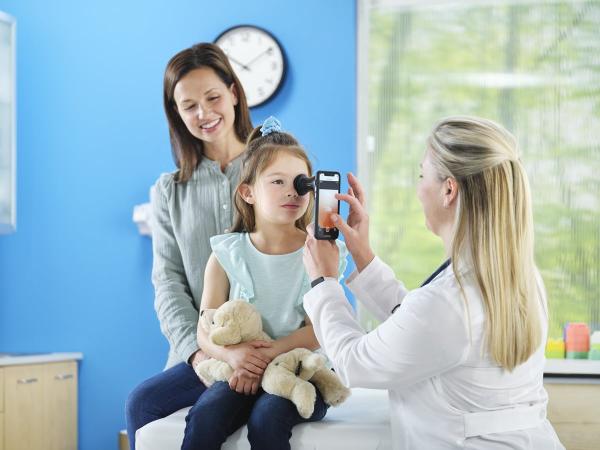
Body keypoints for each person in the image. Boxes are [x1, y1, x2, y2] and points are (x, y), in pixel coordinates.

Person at [302, 116, 565, 449]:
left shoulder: (448, 303)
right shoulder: (520, 278)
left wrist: (324, 281)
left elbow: (354, 362)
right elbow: (422, 328)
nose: (418, 188)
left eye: (422, 174)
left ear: (449, 189)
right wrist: (363, 257)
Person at [181, 117, 347, 450]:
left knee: (267, 419)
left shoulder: (321, 253)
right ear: (248, 192)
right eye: (277, 181)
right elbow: (205, 328)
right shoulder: (227, 253)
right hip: (240, 365)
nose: (292, 191)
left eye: (299, 182)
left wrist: (269, 354)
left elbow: (318, 329)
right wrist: (236, 358)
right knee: (205, 417)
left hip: (298, 369)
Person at [125, 42, 253, 449]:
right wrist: (198, 355)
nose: (204, 113)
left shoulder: (272, 169)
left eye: (212, 97)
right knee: (141, 402)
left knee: (213, 413)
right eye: (189, 105)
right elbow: (168, 284)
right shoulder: (169, 191)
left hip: (264, 345)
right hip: (200, 352)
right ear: (176, 113)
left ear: (233, 93)